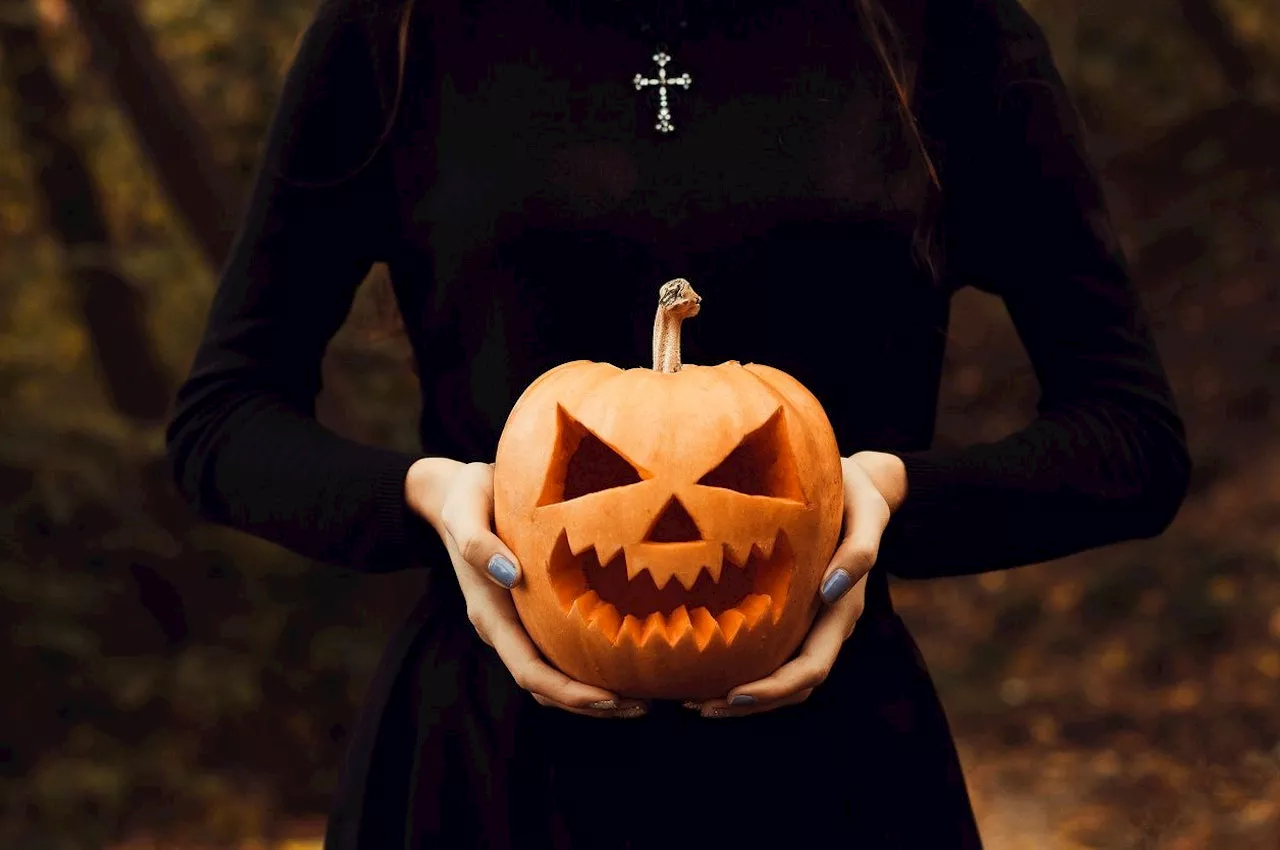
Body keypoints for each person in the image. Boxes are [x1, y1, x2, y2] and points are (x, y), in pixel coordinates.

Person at [166, 0, 1192, 846]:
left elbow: (1128, 439)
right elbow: (224, 422)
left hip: (833, 777)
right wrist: (431, 498)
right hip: (484, 780)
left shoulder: (937, 29)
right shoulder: (398, 30)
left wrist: (883, 492)